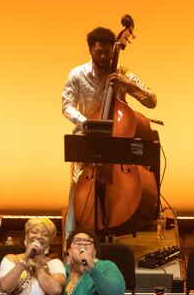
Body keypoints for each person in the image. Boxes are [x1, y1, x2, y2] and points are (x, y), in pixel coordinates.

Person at [61, 25, 158, 237]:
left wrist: (127, 84)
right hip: (88, 137)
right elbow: (66, 105)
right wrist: (86, 122)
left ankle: (117, 229)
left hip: (116, 142)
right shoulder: (77, 75)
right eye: (99, 52)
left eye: (108, 52)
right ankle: (74, 237)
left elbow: (152, 100)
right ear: (90, 50)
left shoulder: (122, 73)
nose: (104, 56)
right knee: (78, 185)